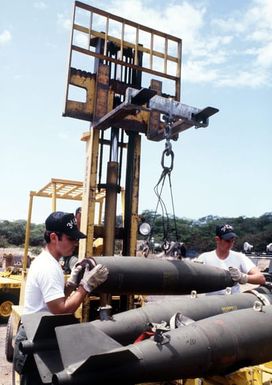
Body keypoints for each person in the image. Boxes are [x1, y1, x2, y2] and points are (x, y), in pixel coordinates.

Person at [13, 211, 109, 385]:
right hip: (35, 340)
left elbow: (52, 300)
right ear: (54, 237)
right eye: (71, 238)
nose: (75, 243)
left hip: (39, 334)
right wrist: (85, 287)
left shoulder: (50, 262)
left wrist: (71, 284)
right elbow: (60, 310)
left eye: (76, 239)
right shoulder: (48, 267)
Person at [197, 223, 265, 295]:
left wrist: (242, 277)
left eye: (233, 240)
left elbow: (261, 278)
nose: (231, 244)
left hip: (233, 302)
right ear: (217, 239)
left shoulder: (239, 257)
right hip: (212, 303)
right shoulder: (204, 258)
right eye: (227, 241)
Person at [59, 207, 82, 273]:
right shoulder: (70, 226)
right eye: (81, 215)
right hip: (68, 256)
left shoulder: (88, 228)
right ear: (76, 215)